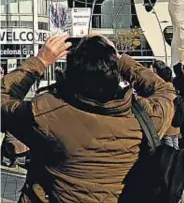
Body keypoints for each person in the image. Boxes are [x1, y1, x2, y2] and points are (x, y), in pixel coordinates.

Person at [1, 35, 175, 203]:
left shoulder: (45, 114)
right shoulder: (145, 116)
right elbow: (165, 92)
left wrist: (40, 61)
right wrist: (120, 60)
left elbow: (3, 100)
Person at [152, 62, 184, 150]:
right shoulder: (174, 89)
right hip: (176, 126)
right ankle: (176, 162)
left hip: (166, 126)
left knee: (168, 151)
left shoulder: (162, 92)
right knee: (175, 147)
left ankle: (172, 162)